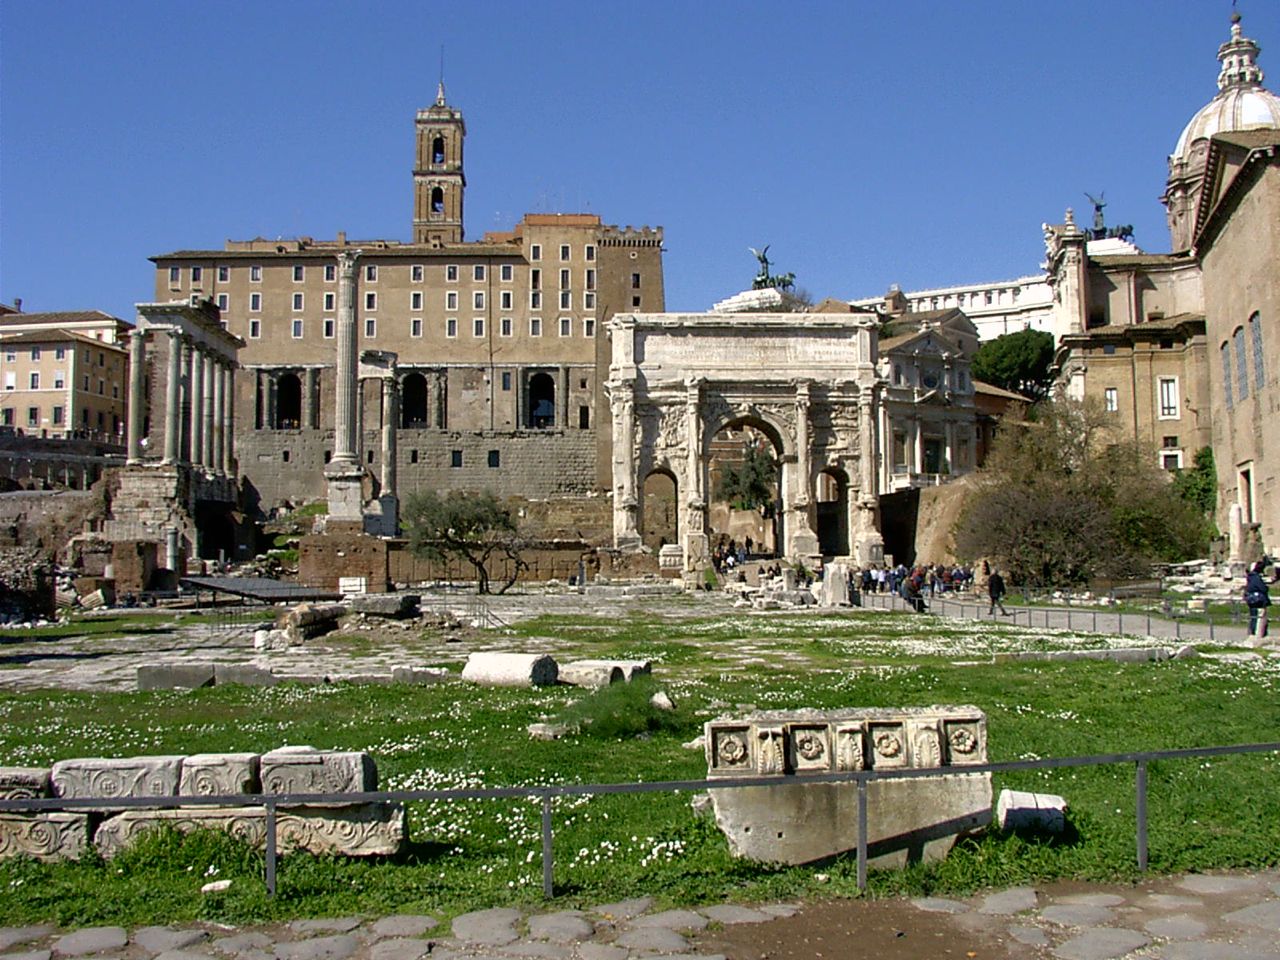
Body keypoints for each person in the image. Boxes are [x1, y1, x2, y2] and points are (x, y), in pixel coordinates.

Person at [1245, 560, 1272, 639]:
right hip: (1258, 600)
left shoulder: (1250, 577)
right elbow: (1262, 588)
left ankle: (1253, 633)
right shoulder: (1256, 577)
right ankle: (1257, 634)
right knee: (1258, 617)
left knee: (1254, 616)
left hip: (1252, 599)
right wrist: (1266, 587)